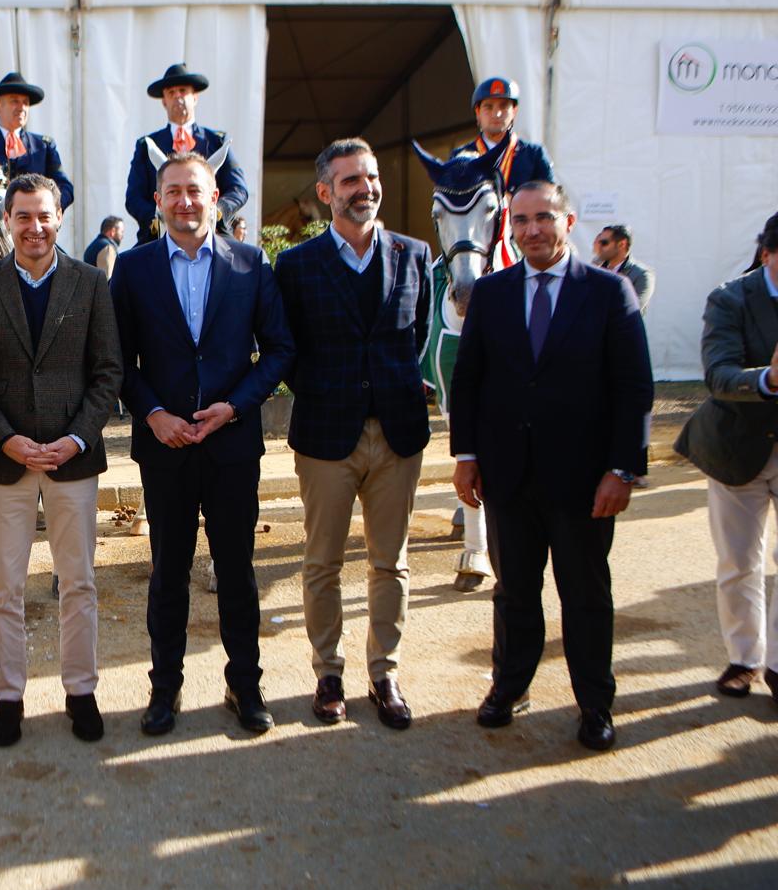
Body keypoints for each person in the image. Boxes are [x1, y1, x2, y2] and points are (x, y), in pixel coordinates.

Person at [450, 181, 652, 751]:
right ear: (509, 227)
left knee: (584, 594)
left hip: (585, 481)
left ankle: (594, 704)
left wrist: (623, 469)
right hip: (507, 477)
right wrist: (465, 457)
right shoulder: (490, 294)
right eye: (521, 220)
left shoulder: (609, 294)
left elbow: (634, 387)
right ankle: (508, 686)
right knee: (514, 590)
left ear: (569, 221)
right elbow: (468, 382)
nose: (532, 229)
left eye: (544, 218)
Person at [109, 151, 295, 736]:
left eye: (196, 190)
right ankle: (164, 691)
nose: (185, 201)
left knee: (237, 572)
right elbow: (115, 360)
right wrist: (153, 412)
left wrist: (236, 406)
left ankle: (246, 686)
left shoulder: (250, 263)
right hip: (165, 448)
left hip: (232, 446)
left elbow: (280, 349)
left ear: (216, 198)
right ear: (157, 202)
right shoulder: (133, 270)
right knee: (167, 571)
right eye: (173, 192)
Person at [0, 173, 122, 747]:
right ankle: (8, 695)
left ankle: (80, 690)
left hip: (73, 459)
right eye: (22, 216)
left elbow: (108, 374)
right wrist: (5, 439)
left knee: (77, 581)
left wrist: (76, 439)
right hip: (7, 461)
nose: (35, 226)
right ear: (6, 221)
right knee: (5, 584)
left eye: (44, 215)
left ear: (59, 217)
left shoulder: (92, 283)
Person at [275, 139, 433, 729]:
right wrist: (326, 390)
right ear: (325, 192)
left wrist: (389, 386)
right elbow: (283, 349)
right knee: (322, 563)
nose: (363, 188)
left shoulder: (415, 254)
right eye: (349, 181)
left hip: (398, 434)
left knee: (390, 563)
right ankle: (329, 673)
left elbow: (414, 336)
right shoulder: (294, 267)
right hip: (325, 435)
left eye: (370, 177)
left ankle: (384, 671)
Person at [674, 211, 778, 704]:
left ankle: (777, 664)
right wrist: (769, 380)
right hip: (739, 447)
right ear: (766, 254)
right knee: (739, 560)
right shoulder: (730, 298)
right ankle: (744, 657)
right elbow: (718, 375)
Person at [126, 63, 250, 244]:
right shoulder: (146, 145)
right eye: (171, 93)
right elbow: (133, 197)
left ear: (195, 97)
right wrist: (159, 216)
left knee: (241, 264)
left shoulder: (218, 141)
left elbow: (238, 189)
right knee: (131, 267)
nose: (177, 97)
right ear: (164, 101)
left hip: (213, 231)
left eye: (183, 91)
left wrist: (216, 210)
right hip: (158, 234)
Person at [0, 72, 74, 210]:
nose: (22, 107)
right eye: (15, 101)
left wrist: (48, 211)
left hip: (33, 226)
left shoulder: (43, 146)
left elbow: (65, 188)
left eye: (26, 102)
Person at [592, 224, 656, 313]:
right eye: (598, 242)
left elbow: (632, 311)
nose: (599, 247)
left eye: (604, 243)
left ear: (622, 244)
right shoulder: (595, 268)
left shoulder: (642, 274)